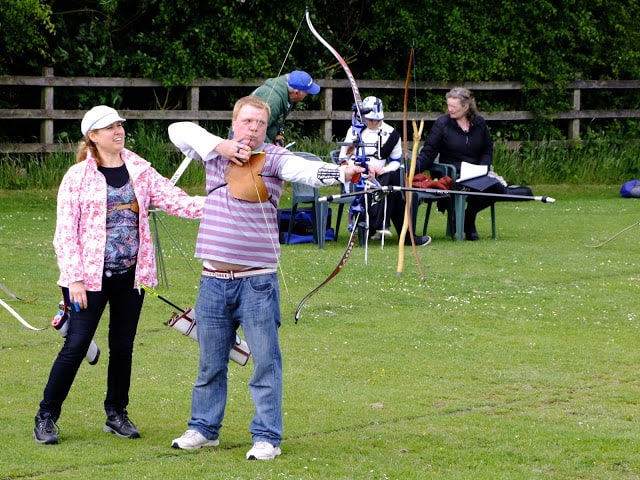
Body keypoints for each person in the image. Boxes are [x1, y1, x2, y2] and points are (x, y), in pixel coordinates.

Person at [167, 95, 363, 460]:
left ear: (267, 128)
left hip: (257, 282)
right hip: (213, 280)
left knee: (265, 362)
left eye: (260, 123)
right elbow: (177, 130)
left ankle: (267, 437)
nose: (253, 129)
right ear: (234, 122)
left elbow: (306, 171)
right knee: (210, 361)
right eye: (247, 122)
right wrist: (224, 147)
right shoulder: (213, 152)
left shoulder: (273, 157)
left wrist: (343, 173)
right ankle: (203, 429)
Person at [33, 105, 205, 445]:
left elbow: (175, 200)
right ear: (92, 137)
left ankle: (116, 414)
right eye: (109, 127)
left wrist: (222, 205)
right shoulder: (77, 177)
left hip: (132, 276)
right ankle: (46, 416)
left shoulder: (139, 169)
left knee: (122, 347)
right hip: (88, 280)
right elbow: (65, 233)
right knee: (76, 345)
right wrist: (75, 279)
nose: (118, 131)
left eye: (120, 125)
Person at [417, 87, 516, 241]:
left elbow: (487, 148)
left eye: (454, 107)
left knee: (498, 188)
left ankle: (468, 217)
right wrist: (414, 168)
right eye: (448, 105)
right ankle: (468, 224)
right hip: (451, 172)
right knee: (470, 185)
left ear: (466, 107)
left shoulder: (479, 123)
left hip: (476, 171)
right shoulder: (442, 124)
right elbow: (429, 152)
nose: (450, 109)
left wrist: (483, 167)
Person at [338, 96, 431, 246]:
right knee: (394, 192)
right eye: (369, 119)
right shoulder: (355, 131)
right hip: (358, 178)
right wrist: (361, 169)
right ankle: (404, 235)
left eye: (376, 120)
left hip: (380, 177)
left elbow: (396, 161)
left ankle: (377, 225)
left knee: (390, 178)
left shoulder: (391, 134)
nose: (372, 123)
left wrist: (382, 169)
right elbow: (343, 158)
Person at [251, 70, 320, 146]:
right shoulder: (273, 102)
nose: (307, 95)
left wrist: (278, 136)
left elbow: (278, 119)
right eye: (306, 92)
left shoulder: (288, 95)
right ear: (296, 92)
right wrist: (272, 148)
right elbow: (255, 131)